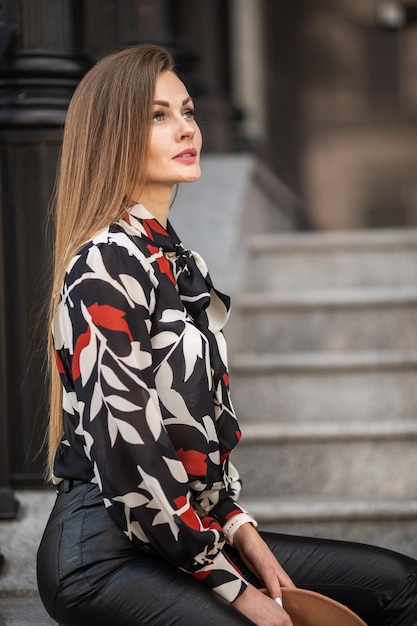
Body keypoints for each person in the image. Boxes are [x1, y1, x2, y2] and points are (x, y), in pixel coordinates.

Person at [36, 43, 417, 626]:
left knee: (399, 585)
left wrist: (244, 534)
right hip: (105, 553)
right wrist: (238, 591)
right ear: (112, 135)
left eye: (187, 111)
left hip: (185, 534)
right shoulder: (105, 263)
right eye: (158, 115)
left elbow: (197, 431)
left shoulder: (181, 262)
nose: (186, 127)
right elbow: (132, 458)